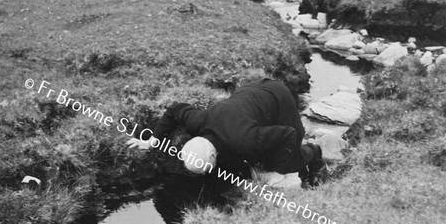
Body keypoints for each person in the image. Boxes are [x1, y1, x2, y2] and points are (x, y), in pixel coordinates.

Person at [127, 78, 323, 187]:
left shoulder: (244, 141)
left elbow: (288, 133)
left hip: (278, 97)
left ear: (213, 155)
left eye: (208, 168)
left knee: (284, 162)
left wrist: (277, 170)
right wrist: (152, 141)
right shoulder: (199, 122)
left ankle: (314, 152)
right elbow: (174, 109)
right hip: (251, 91)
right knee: (253, 156)